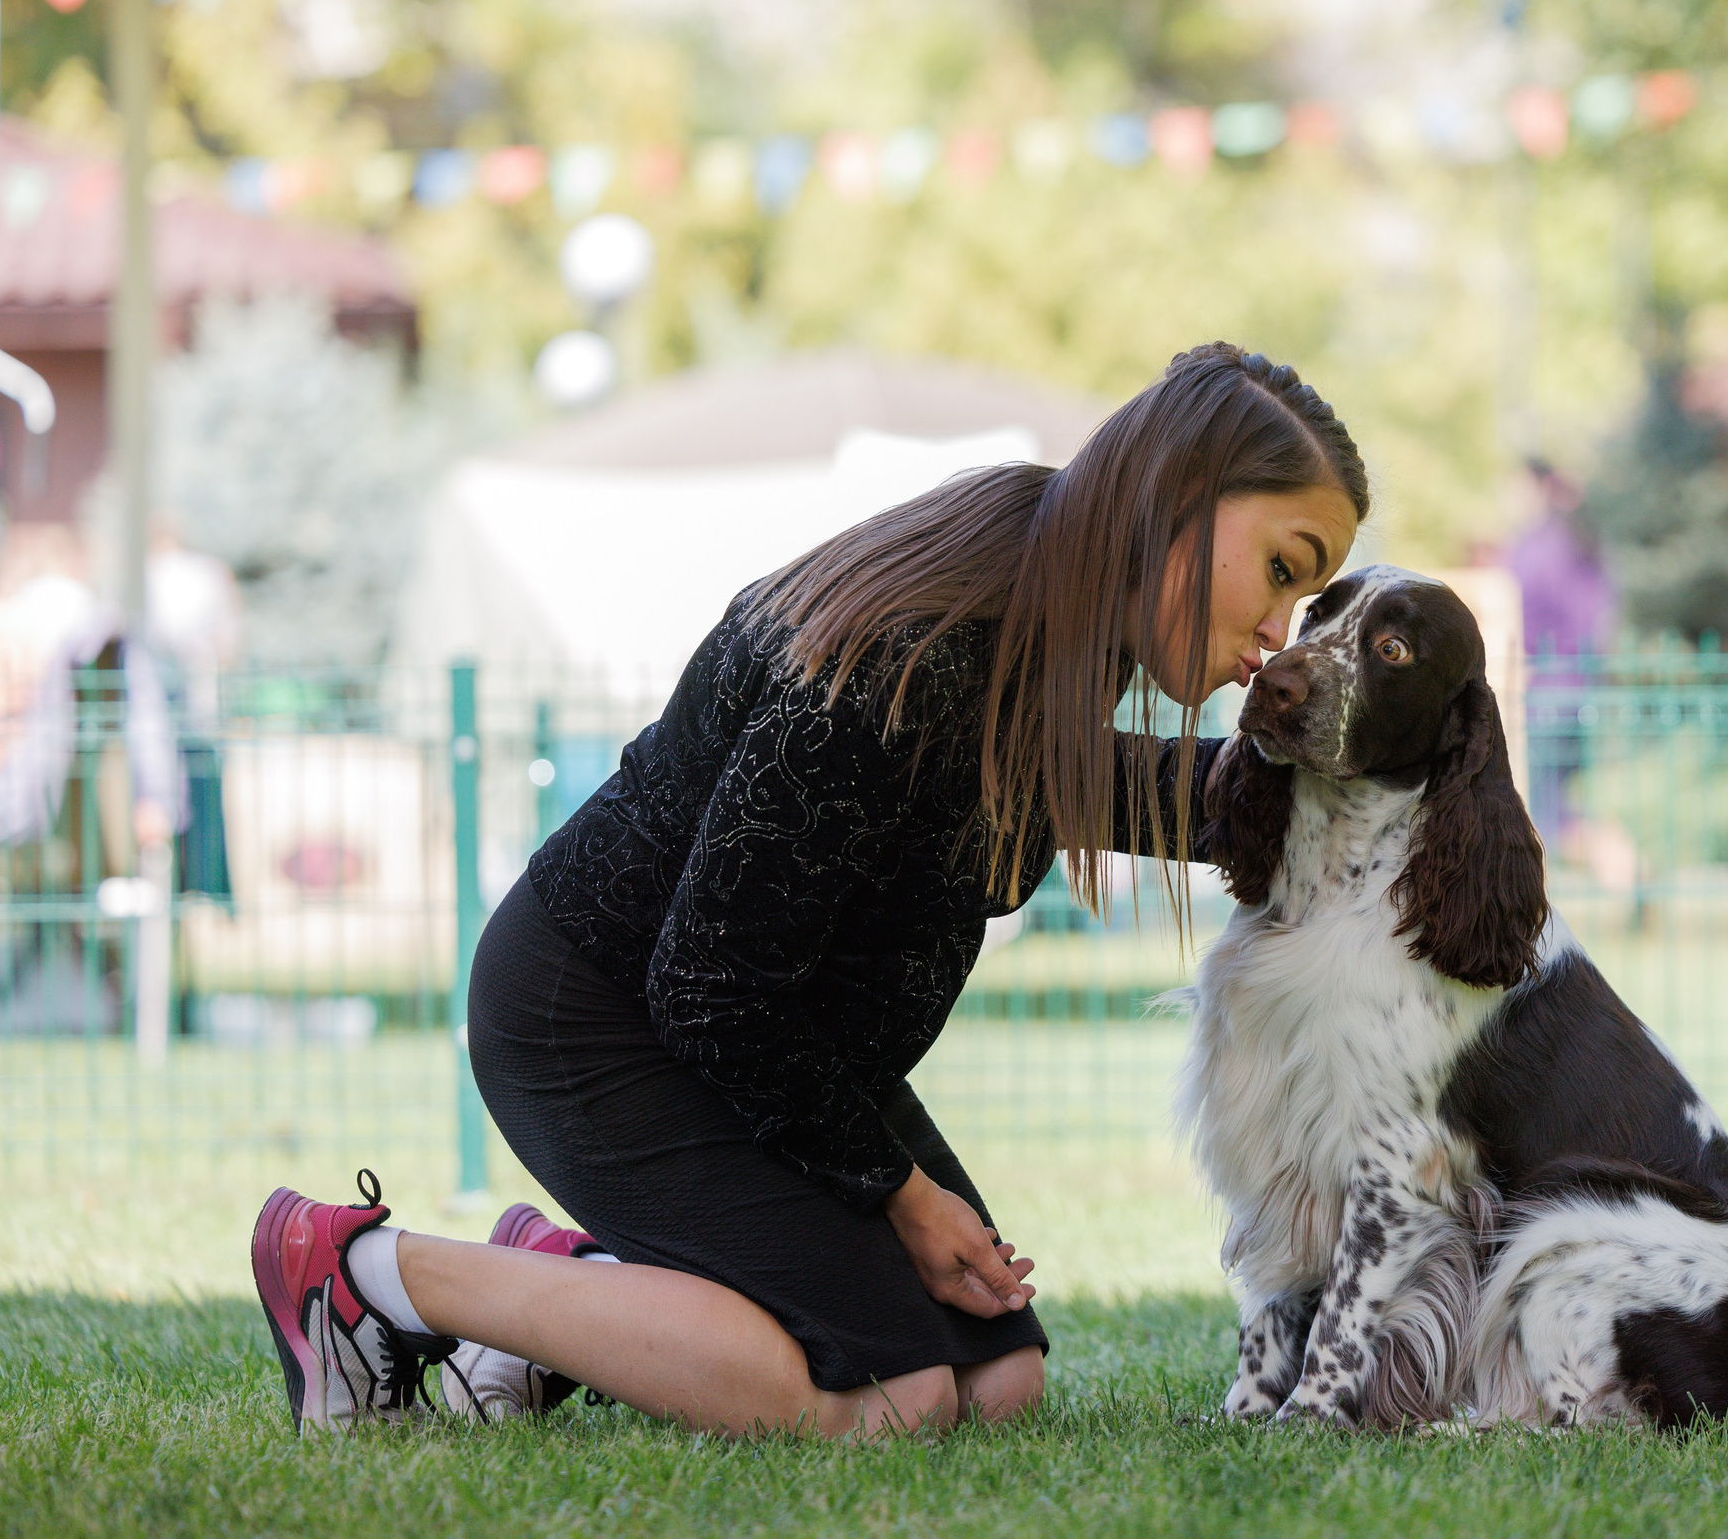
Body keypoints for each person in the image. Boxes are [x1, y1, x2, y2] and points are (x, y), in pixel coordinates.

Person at [251, 343, 1368, 1439]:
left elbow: (1098, 785)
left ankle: (577, 1291)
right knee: (891, 1402)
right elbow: (709, 989)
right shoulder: (917, 649)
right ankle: (361, 1270)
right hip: (605, 1023)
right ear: (1179, 495)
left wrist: (1377, 789)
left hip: (788, 1048)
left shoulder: (1047, 601)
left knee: (999, 1381)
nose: (1278, 635)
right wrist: (900, 1193)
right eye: (1282, 569)